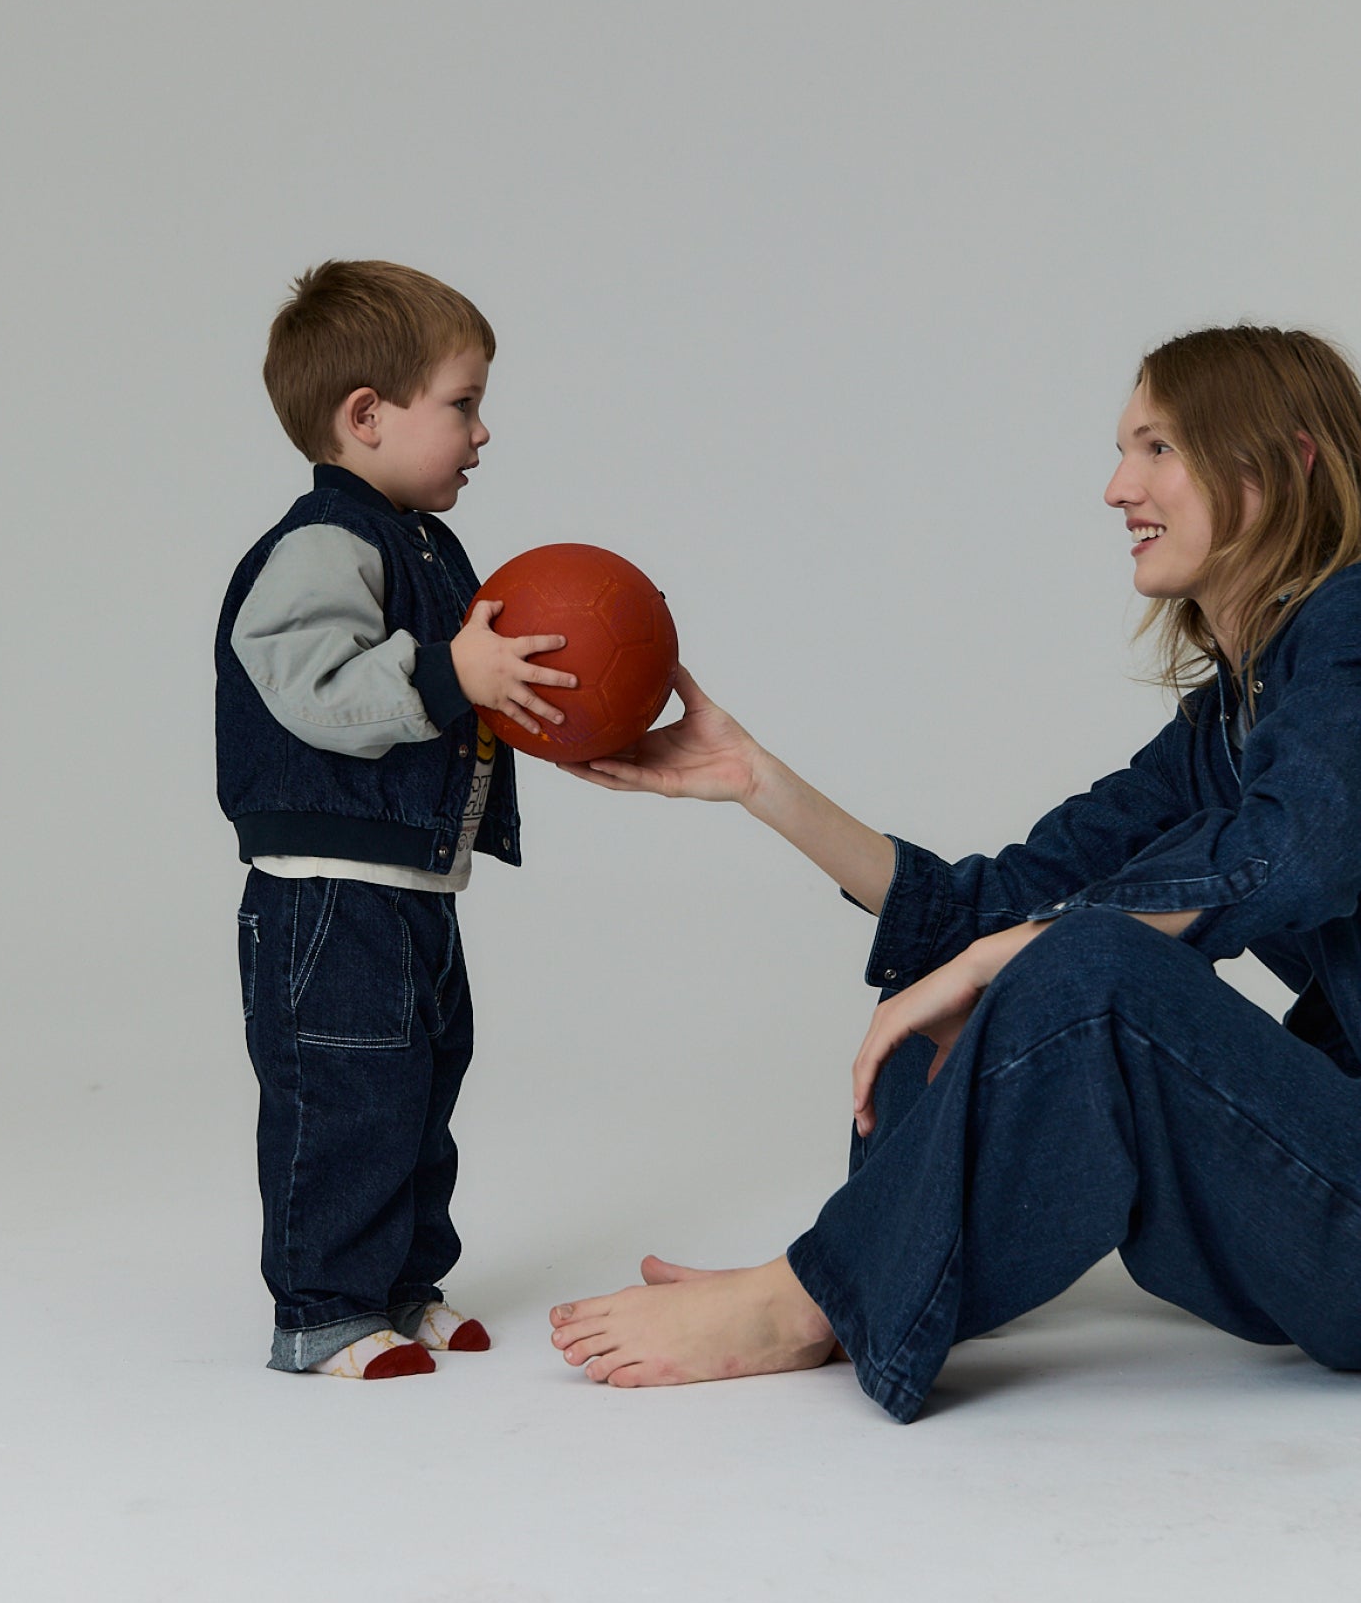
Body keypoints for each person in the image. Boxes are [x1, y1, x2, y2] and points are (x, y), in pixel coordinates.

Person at [549, 325, 1361, 1420]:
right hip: (1316, 1201)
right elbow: (986, 904)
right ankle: (856, 1280)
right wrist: (755, 781)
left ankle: (810, 1298)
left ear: (1291, 463)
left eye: (1159, 447)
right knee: (944, 993)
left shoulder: (1353, 631)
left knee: (1087, 972)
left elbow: (1302, 846)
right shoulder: (1226, 722)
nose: (1119, 487)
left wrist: (1018, 953)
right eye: (1125, 450)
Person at [217, 260, 576, 1379]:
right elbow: (314, 686)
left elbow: (448, 690)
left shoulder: (421, 540)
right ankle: (322, 1308)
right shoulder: (324, 545)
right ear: (365, 417)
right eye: (462, 404)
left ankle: (404, 1283)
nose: (482, 433)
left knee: (422, 1088)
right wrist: (451, 670)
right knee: (346, 1096)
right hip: (328, 893)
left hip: (414, 886)